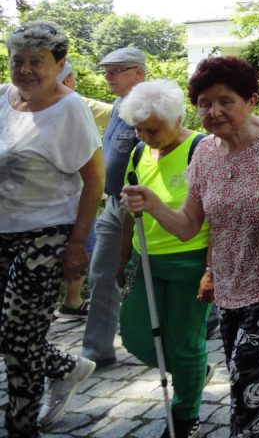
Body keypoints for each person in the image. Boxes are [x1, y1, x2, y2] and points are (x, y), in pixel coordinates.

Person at [122, 56, 259, 438]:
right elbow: (187, 227)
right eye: (204, 104)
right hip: (229, 290)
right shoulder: (204, 154)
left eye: (225, 100)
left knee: (247, 383)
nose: (214, 111)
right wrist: (153, 204)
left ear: (251, 99)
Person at [1, 21, 103, 434]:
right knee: (10, 335)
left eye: (36, 62)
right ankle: (66, 367)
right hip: (2, 230)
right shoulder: (3, 98)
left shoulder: (70, 109)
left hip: (48, 232)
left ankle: (20, 426)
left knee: (20, 338)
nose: (24, 70)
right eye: (17, 61)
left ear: (60, 64)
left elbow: (94, 182)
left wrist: (77, 246)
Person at [115, 80, 211, 438]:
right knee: (136, 335)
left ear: (178, 119)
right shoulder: (140, 152)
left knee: (184, 343)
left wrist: (212, 269)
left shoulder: (201, 149)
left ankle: (185, 414)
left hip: (189, 262)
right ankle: (194, 376)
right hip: (144, 260)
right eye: (138, 129)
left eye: (152, 129)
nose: (144, 136)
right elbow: (130, 208)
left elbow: (218, 216)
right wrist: (122, 256)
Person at [83, 46, 148, 370]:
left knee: (158, 270)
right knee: (101, 272)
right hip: (113, 202)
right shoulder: (120, 104)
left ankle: (207, 316)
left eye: (115, 71)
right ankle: (96, 350)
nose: (108, 77)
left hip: (141, 204)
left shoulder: (148, 106)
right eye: (106, 71)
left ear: (138, 73)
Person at [55, 62, 110, 321]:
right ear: (67, 80)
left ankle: (70, 301)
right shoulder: (78, 103)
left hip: (60, 194)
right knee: (88, 245)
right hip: (76, 192)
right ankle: (72, 301)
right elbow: (118, 113)